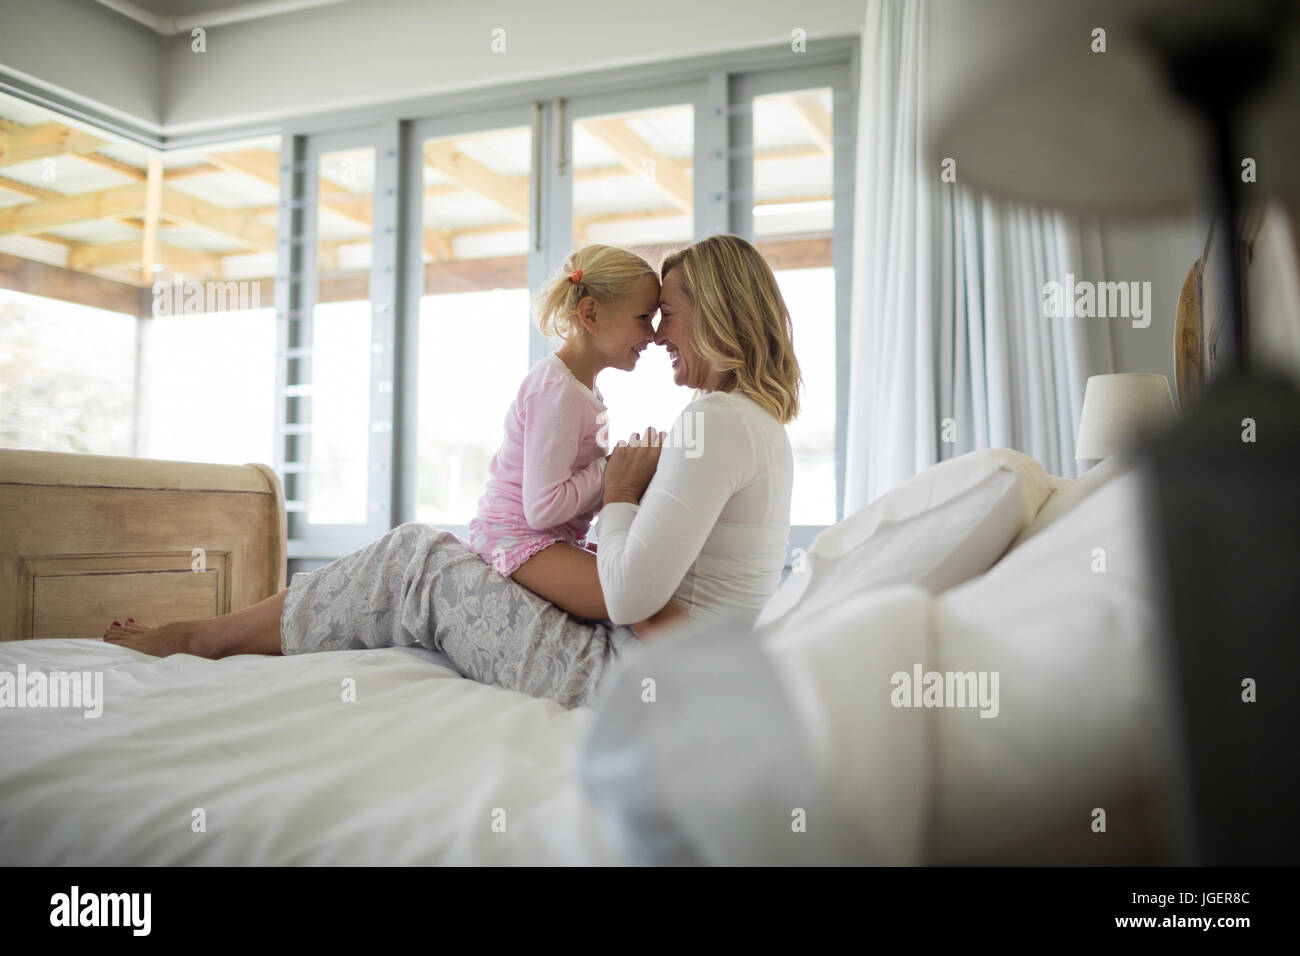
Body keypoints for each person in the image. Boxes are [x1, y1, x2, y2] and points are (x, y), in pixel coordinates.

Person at [103, 234, 803, 709]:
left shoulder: (715, 422)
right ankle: (221, 635)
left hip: (625, 679)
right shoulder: (757, 425)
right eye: (652, 319)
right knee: (420, 562)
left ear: (715, 315)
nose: (659, 338)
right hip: (664, 669)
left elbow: (629, 595)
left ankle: (204, 639)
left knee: (413, 556)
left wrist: (619, 493)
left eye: (669, 316)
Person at [466, 244, 680, 635]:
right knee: (638, 595)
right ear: (591, 315)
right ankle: (702, 686)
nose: (652, 334)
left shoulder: (581, 389)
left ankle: (701, 681)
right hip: (515, 539)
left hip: (549, 539)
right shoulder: (556, 390)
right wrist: (612, 470)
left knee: (652, 581)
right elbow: (544, 509)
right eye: (643, 317)